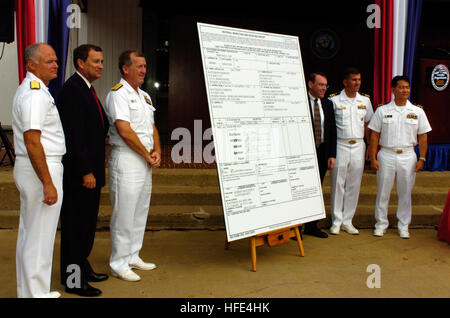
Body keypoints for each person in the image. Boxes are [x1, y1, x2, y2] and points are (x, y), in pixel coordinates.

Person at [12, 43, 66, 298]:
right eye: (48, 61)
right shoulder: (34, 93)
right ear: (31, 65)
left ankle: (31, 291)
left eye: (55, 60)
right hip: (41, 167)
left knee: (30, 232)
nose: (55, 64)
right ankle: (35, 293)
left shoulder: (37, 90)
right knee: (39, 235)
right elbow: (33, 140)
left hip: (34, 166)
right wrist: (47, 181)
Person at [56, 44, 109, 296]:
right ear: (80, 63)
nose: (100, 65)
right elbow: (74, 137)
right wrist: (86, 171)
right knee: (76, 228)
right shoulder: (73, 91)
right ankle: (73, 280)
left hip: (92, 172)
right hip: (81, 175)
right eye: (95, 61)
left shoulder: (85, 89)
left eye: (101, 61)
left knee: (86, 225)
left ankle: (82, 267)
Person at [105, 50, 161, 281]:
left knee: (139, 210)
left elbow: (152, 128)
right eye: (138, 66)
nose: (143, 70)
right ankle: (118, 261)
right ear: (125, 68)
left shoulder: (144, 96)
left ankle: (132, 255)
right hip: (127, 159)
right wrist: (146, 155)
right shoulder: (118, 94)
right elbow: (124, 130)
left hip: (143, 159)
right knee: (124, 212)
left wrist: (157, 151)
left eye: (145, 66)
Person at [368, 75, 431, 239]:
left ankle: (403, 225)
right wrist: (373, 157)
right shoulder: (382, 110)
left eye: (407, 87)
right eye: (401, 87)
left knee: (405, 193)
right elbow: (374, 135)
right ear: (393, 90)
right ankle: (381, 224)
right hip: (386, 155)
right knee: (383, 192)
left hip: (408, 155)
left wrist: (422, 158)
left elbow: (423, 136)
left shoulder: (417, 111)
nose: (405, 90)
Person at [328, 68, 373, 235]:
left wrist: (369, 147)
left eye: (359, 80)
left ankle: (348, 220)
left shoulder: (365, 101)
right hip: (340, 145)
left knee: (354, 184)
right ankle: (336, 220)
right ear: (345, 82)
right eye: (354, 80)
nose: (357, 83)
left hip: (358, 145)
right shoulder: (334, 100)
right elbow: (330, 128)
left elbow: (368, 124)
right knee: (338, 183)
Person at [301, 72, 337, 238]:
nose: (324, 88)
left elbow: (331, 131)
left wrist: (331, 154)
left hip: (322, 152)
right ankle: (295, 228)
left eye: (325, 85)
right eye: (321, 85)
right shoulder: (299, 101)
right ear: (310, 84)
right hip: (303, 153)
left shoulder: (328, 104)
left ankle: (311, 226)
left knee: (316, 190)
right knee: (300, 190)